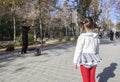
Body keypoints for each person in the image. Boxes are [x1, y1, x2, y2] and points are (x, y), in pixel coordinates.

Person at [73, 17, 102, 82]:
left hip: (84, 61)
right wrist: (96, 58)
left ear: (84, 26)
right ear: (92, 26)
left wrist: (75, 62)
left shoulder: (82, 37)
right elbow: (97, 49)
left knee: (86, 80)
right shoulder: (96, 37)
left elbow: (78, 50)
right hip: (94, 59)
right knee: (92, 79)